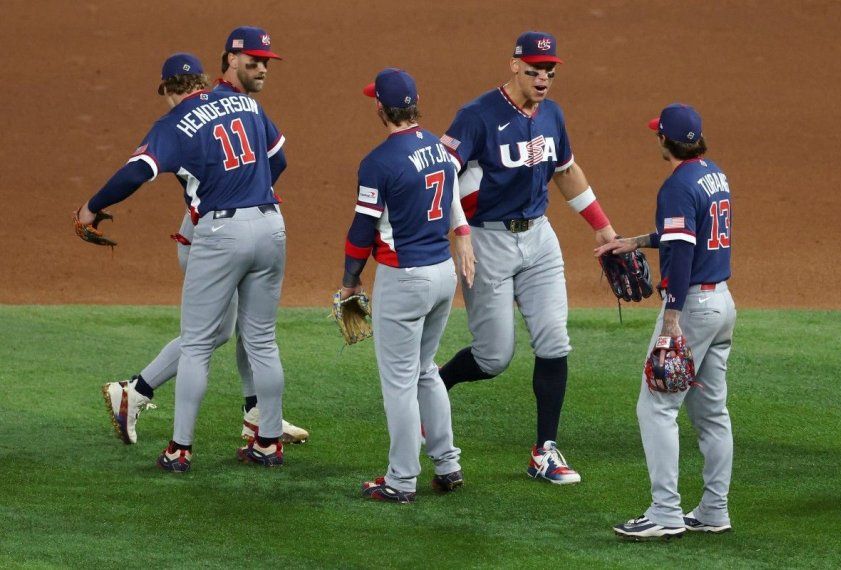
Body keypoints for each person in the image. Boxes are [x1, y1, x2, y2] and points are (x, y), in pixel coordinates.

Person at [101, 26, 309, 448]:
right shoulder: (228, 105)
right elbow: (277, 160)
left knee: (227, 332)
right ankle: (150, 395)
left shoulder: (197, 113)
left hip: (215, 229)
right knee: (228, 333)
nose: (262, 68)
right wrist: (250, 190)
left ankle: (146, 394)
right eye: (254, 61)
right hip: (214, 231)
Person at [438, 31, 616, 484]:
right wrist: (458, 232)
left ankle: (545, 451)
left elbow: (567, 171)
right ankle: (437, 384)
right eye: (534, 70)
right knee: (494, 357)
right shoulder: (476, 117)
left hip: (539, 238)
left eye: (549, 73)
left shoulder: (552, 114)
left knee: (555, 340)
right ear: (514, 65)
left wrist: (603, 227)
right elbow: (439, 176)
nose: (542, 80)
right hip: (487, 242)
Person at [601, 104, 737, 540]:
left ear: (665, 140)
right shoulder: (713, 174)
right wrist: (636, 242)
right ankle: (714, 510)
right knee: (712, 413)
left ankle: (665, 513)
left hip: (692, 306)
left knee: (656, 408)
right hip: (723, 304)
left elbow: (680, 253)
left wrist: (671, 320)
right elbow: (685, 233)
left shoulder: (677, 185)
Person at [342, 68, 476, 503]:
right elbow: (455, 203)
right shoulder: (439, 150)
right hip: (442, 274)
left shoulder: (379, 161)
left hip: (404, 279)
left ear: (380, 107)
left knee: (399, 382)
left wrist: (349, 281)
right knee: (425, 371)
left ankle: (401, 480)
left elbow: (363, 231)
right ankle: (448, 464)